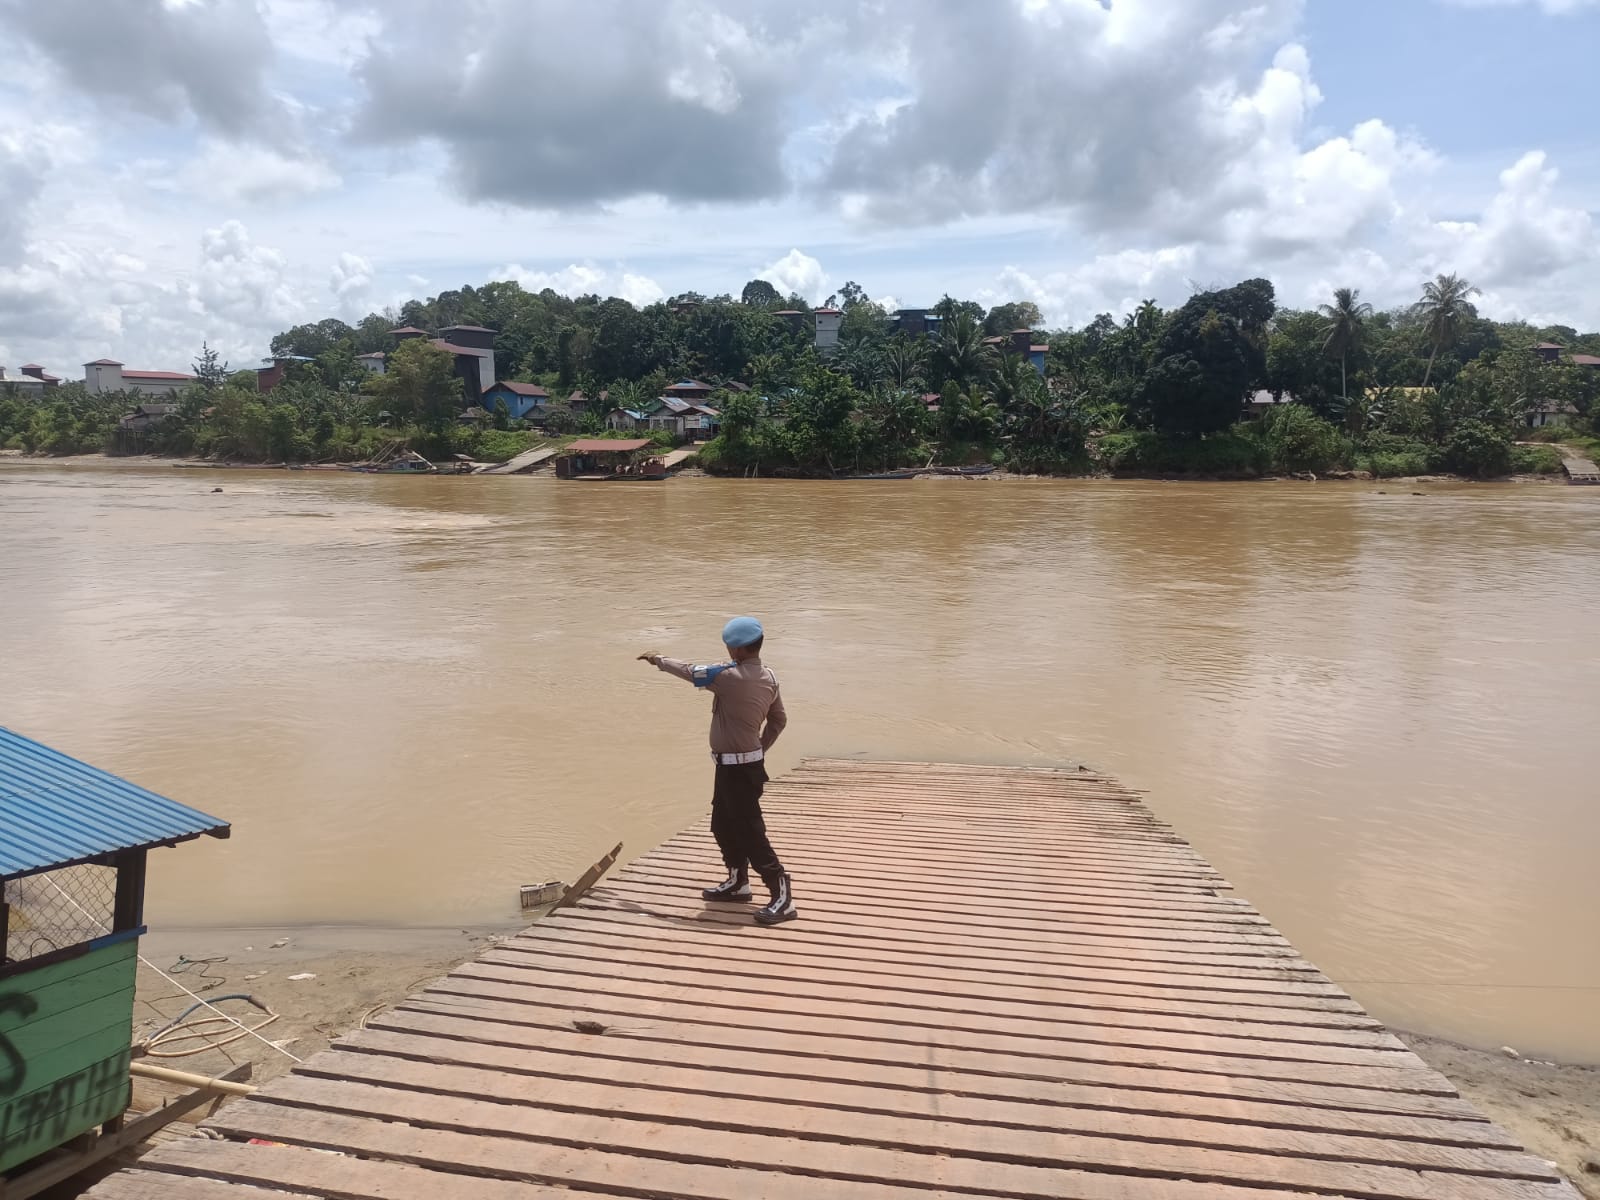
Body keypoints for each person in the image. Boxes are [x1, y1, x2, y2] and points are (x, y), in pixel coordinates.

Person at [639, 616, 796, 926]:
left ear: (734, 649)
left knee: (751, 833)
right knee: (722, 825)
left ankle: (782, 896)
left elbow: (687, 670)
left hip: (739, 772)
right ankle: (738, 883)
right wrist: (760, 750)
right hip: (738, 768)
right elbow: (779, 720)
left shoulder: (727, 677)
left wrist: (658, 659)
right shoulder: (770, 677)